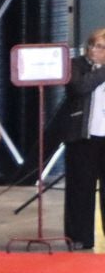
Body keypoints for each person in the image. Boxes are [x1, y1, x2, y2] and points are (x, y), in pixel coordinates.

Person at [59, 27, 105, 249]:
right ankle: (79, 236)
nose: (100, 51)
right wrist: (102, 70)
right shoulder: (76, 65)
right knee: (80, 188)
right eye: (98, 46)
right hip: (83, 135)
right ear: (89, 47)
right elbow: (78, 88)